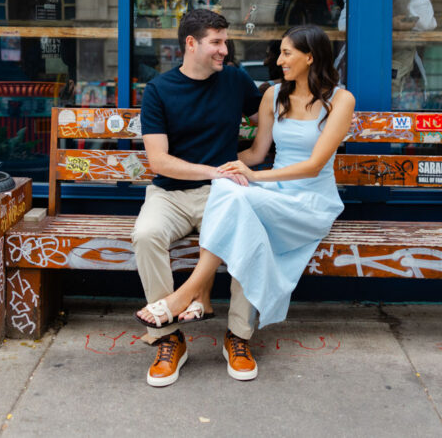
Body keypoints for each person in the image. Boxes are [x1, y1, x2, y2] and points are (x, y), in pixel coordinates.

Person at [135, 24, 355, 381]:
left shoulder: (341, 100)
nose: (277, 60)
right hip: (238, 193)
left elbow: (314, 164)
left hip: (310, 199)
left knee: (236, 197)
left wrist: (249, 176)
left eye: (286, 53)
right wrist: (230, 168)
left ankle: (196, 297)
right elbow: (256, 152)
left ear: (310, 57)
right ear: (192, 44)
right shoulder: (272, 96)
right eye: (217, 42)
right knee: (230, 197)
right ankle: (179, 330)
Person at [131, 8, 262, 388]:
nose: (225, 50)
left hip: (221, 194)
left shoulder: (236, 81)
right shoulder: (159, 89)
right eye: (217, 42)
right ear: (191, 44)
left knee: (246, 237)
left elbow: (270, 116)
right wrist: (213, 169)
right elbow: (159, 160)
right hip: (169, 193)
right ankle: (168, 337)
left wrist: (324, 106)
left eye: (225, 41)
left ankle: (238, 335)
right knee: (146, 234)